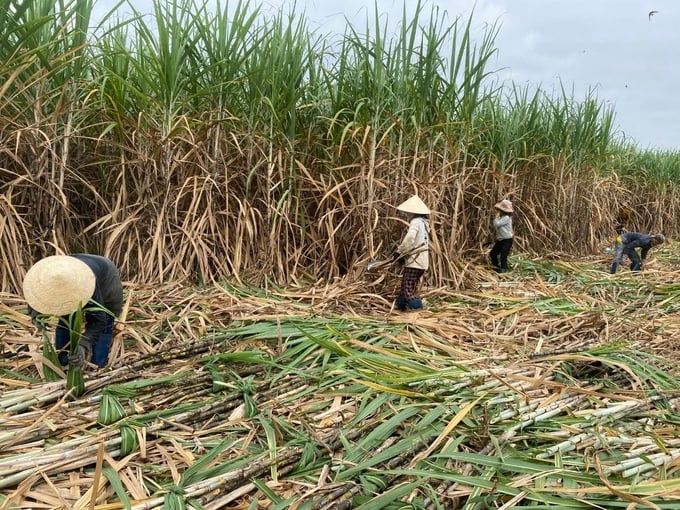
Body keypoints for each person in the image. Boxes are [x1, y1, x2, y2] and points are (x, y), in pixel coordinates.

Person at [23, 254, 123, 368]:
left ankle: (96, 365)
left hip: (106, 276)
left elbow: (99, 320)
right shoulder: (42, 281)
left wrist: (83, 344)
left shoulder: (88, 283)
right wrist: (36, 315)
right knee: (66, 319)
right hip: (69, 269)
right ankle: (63, 361)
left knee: (106, 320)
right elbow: (35, 300)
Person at [393, 195, 430, 311]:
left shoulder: (415, 222)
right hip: (423, 262)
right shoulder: (425, 223)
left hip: (415, 261)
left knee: (407, 288)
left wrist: (399, 252)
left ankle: (418, 309)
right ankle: (400, 307)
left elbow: (410, 238)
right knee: (408, 286)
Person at [490, 199, 514, 273]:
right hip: (500, 239)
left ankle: (504, 269)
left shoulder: (506, 218)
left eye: (499, 210)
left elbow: (496, 224)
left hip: (507, 239)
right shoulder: (501, 217)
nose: (498, 211)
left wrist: (496, 216)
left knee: (503, 255)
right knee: (493, 253)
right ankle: (496, 267)